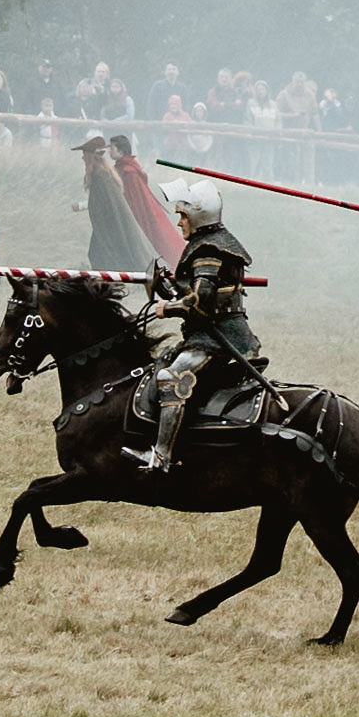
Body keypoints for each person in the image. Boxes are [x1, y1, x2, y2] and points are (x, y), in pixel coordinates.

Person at [125, 178, 262, 473]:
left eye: (183, 216)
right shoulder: (210, 244)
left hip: (220, 339)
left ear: (198, 215)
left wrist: (168, 308)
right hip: (210, 335)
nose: (179, 223)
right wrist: (166, 289)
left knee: (171, 379)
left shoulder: (209, 250)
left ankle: (161, 457)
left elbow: (200, 302)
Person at [70, 135, 153, 272]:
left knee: (103, 254)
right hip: (105, 224)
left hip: (110, 225)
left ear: (92, 157)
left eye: (85, 156)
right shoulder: (100, 172)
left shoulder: (101, 175)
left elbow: (110, 204)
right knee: (97, 254)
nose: (83, 159)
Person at [110, 135, 185, 267]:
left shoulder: (129, 172)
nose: (109, 151)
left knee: (162, 238)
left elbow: (133, 200)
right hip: (132, 212)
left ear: (120, 150)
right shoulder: (122, 168)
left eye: (112, 148)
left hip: (140, 212)